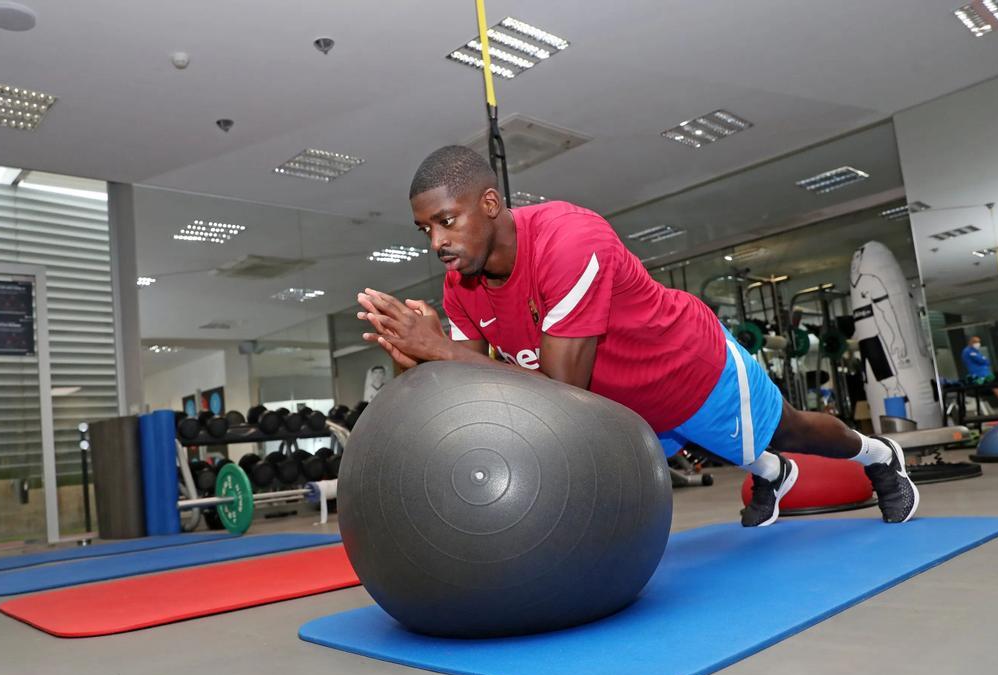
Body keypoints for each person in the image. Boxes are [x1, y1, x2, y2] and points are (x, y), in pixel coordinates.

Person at [356, 145, 918, 527]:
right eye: (425, 229)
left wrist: (443, 350)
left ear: (490, 203)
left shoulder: (568, 243)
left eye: (446, 221)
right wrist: (418, 358)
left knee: (788, 429)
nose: (436, 242)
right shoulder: (462, 287)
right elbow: (476, 393)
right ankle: (773, 474)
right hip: (623, 410)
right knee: (730, 451)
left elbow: (558, 391)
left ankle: (877, 455)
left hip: (688, 369)